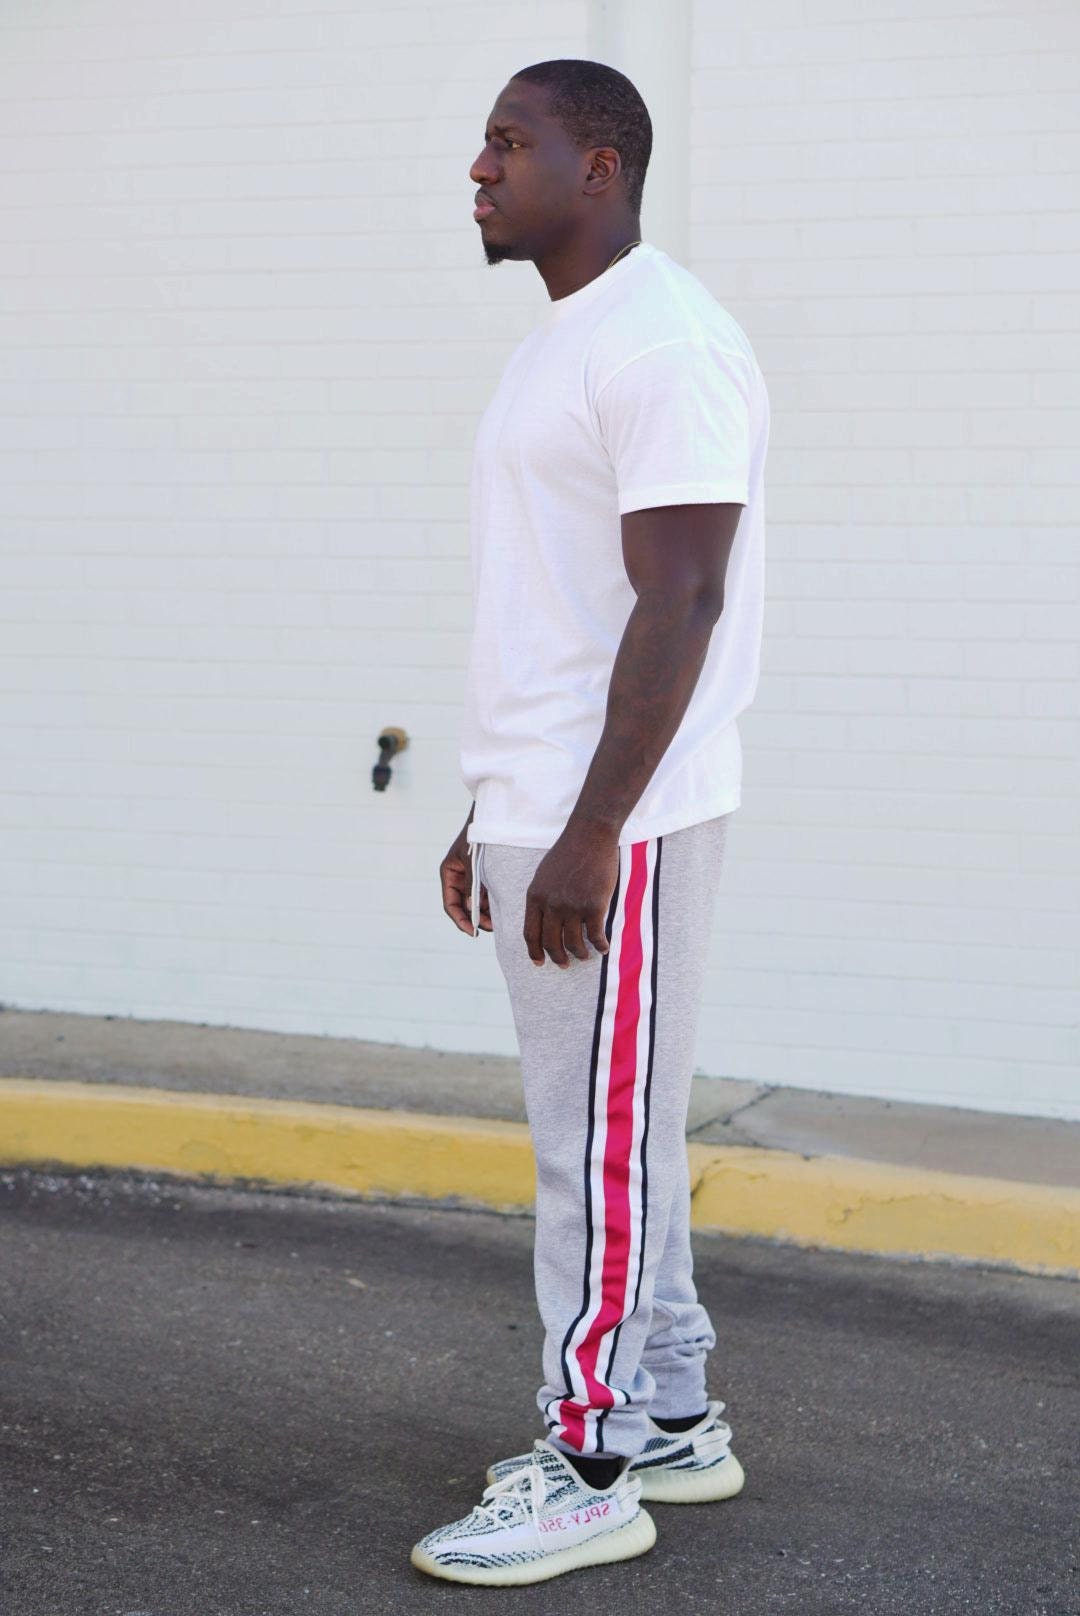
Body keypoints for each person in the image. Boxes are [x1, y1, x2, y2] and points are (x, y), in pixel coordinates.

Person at [415, 57, 770, 1587]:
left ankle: (590, 1462)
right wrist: (492, 804)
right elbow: (559, 610)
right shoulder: (567, 343)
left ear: (602, 166)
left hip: (616, 823)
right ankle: (673, 1415)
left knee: (592, 1152)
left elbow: (680, 600)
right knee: (615, 1134)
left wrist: (586, 832)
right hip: (548, 805)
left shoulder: (665, 341)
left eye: (511, 142)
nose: (480, 168)